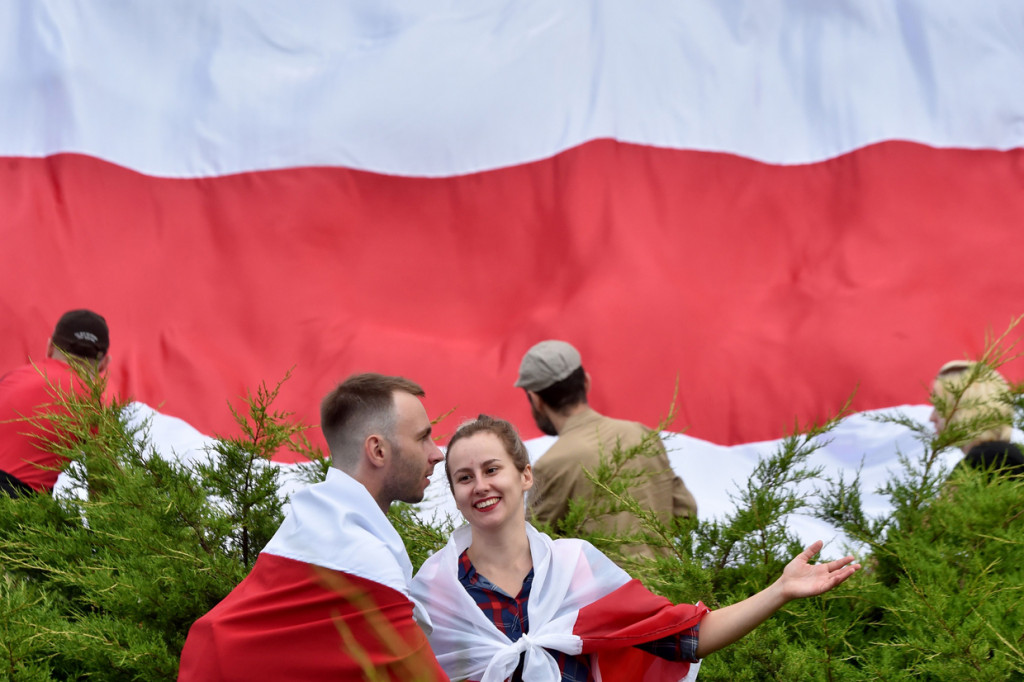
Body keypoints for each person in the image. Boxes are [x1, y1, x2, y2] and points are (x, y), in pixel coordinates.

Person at [412, 415, 859, 682]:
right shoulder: (435, 589)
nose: (481, 485)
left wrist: (780, 590)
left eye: (492, 469)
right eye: (465, 477)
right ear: (454, 492)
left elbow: (682, 638)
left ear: (525, 476)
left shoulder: (574, 566)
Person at [178, 373, 449, 682]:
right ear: (378, 451)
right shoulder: (363, 559)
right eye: (422, 438)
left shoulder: (307, 527)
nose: (436, 453)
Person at [514, 340, 697, 557]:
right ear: (586, 382)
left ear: (536, 399)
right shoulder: (641, 435)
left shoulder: (551, 464)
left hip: (604, 581)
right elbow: (686, 512)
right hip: (668, 576)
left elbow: (535, 549)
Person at [0, 309, 110, 497]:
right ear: (104, 364)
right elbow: (103, 491)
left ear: (50, 347)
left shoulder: (11, 378)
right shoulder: (92, 404)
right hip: (14, 500)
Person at [929, 360, 1024, 477]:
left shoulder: (990, 460)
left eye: (939, 406)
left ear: (963, 410)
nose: (931, 418)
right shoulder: (996, 457)